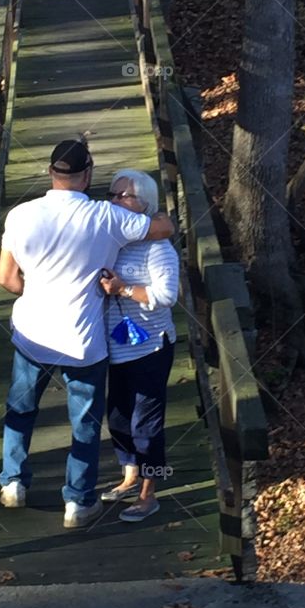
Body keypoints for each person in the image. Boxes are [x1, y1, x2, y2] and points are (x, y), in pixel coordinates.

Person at [0, 139, 175, 529]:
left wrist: (41, 294)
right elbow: (165, 227)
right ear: (88, 174)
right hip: (83, 340)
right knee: (86, 422)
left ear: (50, 173)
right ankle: (77, 502)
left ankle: (12, 481)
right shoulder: (105, 217)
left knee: (20, 408)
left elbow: (7, 278)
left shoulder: (20, 214)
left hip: (31, 334)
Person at [99, 169, 179, 523]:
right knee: (117, 415)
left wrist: (124, 290)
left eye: (123, 196)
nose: (115, 201)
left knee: (146, 424)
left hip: (150, 348)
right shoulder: (110, 240)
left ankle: (150, 494)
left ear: (144, 204)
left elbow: (167, 296)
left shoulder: (158, 248)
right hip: (115, 346)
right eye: (112, 195)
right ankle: (130, 476)